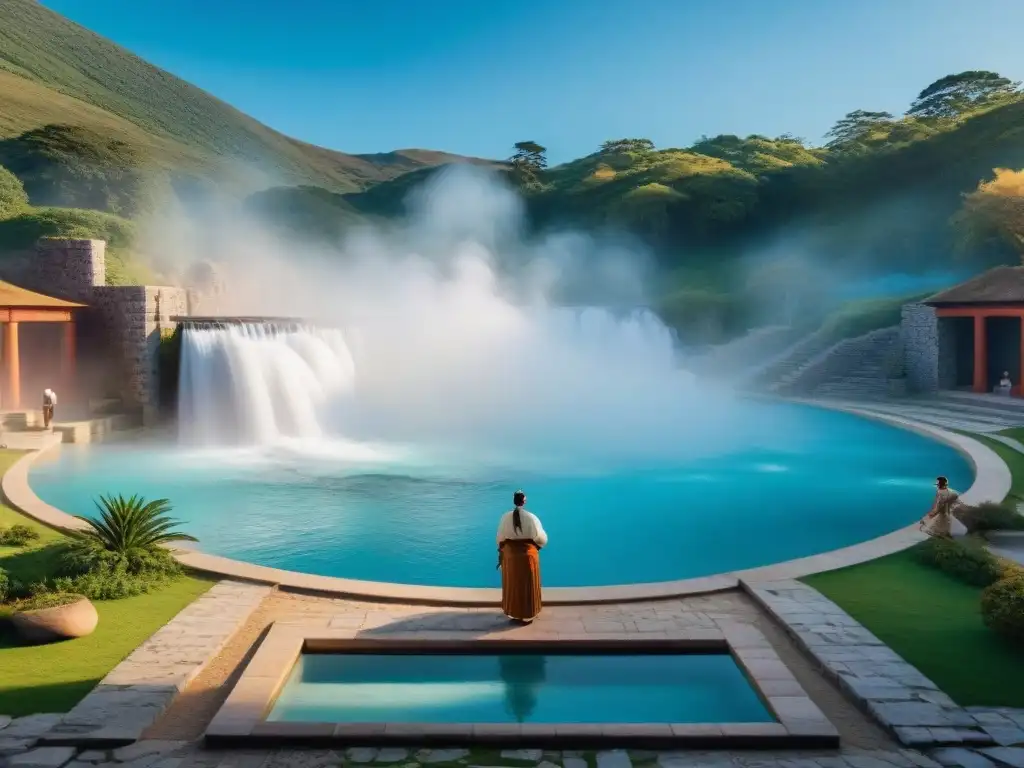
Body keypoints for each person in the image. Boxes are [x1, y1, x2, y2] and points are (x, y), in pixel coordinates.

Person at [496, 490, 548, 624]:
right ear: (524, 501)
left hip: (510, 556)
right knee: (527, 585)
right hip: (528, 556)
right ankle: (527, 614)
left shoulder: (505, 517)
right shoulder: (532, 517)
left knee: (513, 584)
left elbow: (500, 538)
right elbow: (541, 538)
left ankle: (513, 612)